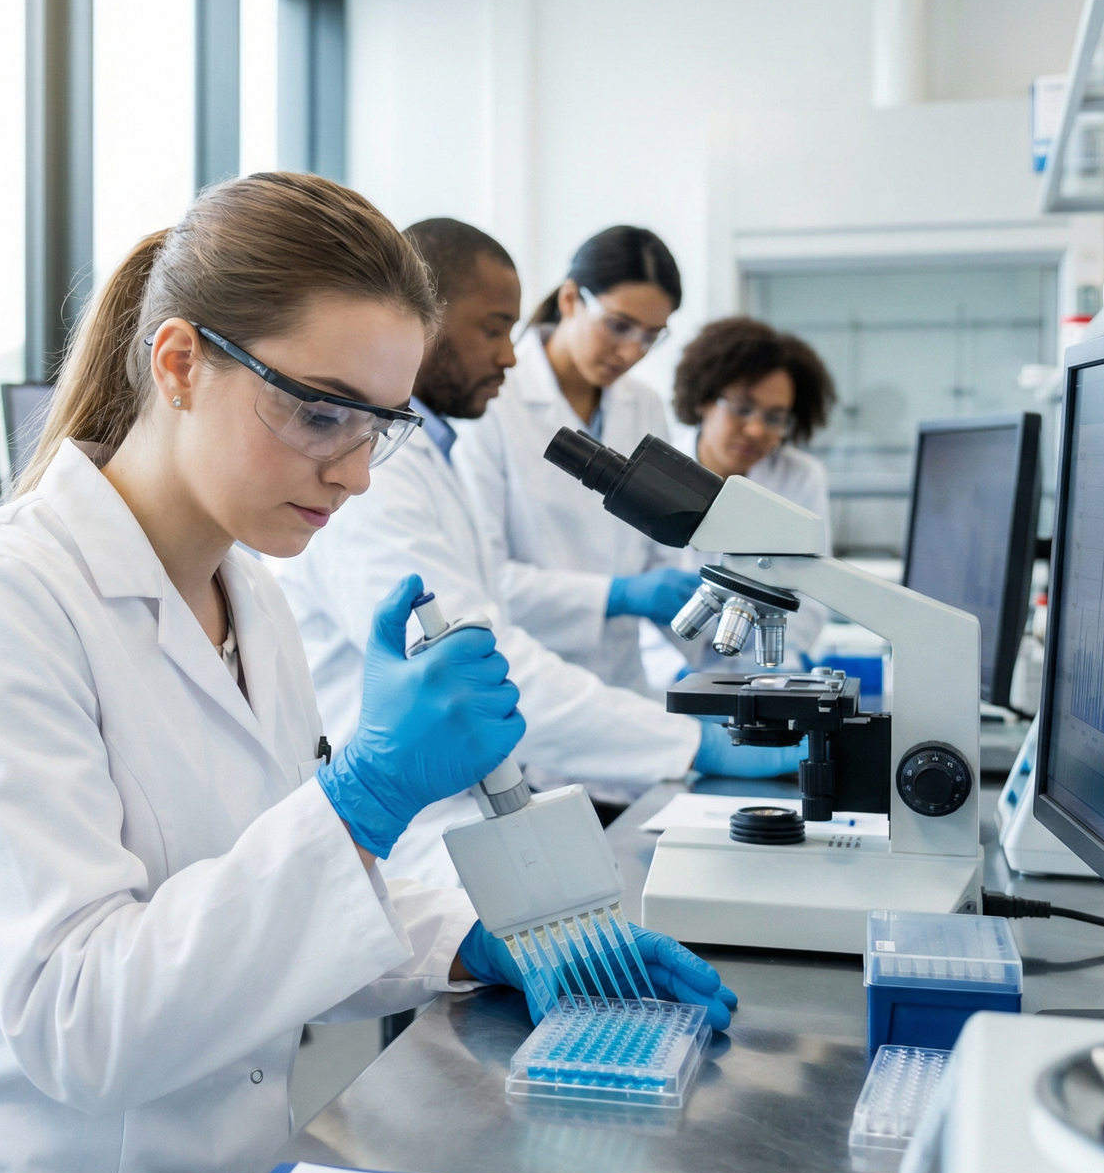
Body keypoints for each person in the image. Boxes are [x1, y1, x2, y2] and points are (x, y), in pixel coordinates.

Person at [0, 174, 733, 1173]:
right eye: (317, 411)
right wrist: (363, 797)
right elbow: (81, 1018)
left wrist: (478, 939)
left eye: (381, 426)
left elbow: (257, 901)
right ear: (180, 363)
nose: (351, 469)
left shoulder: (249, 598)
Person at [274, 217, 804, 889]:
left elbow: (481, 620)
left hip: (521, 763)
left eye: (652, 337)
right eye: (495, 328)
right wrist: (691, 735)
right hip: (415, 833)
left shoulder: (428, 457)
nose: (510, 354)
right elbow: (475, 667)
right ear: (417, 323)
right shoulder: (381, 479)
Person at [454, 225, 701, 695]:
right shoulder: (493, 400)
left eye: (652, 336)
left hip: (625, 685)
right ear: (570, 299)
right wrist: (614, 595)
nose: (631, 351)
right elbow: (485, 577)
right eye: (619, 325)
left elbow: (664, 551)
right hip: (526, 684)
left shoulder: (643, 405)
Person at [652, 315, 838, 678]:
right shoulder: (655, 476)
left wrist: (766, 679)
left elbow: (812, 598)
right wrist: (676, 674)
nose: (755, 429)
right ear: (704, 398)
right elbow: (636, 616)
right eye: (741, 408)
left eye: (775, 418)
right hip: (663, 677)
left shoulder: (799, 477)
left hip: (767, 673)